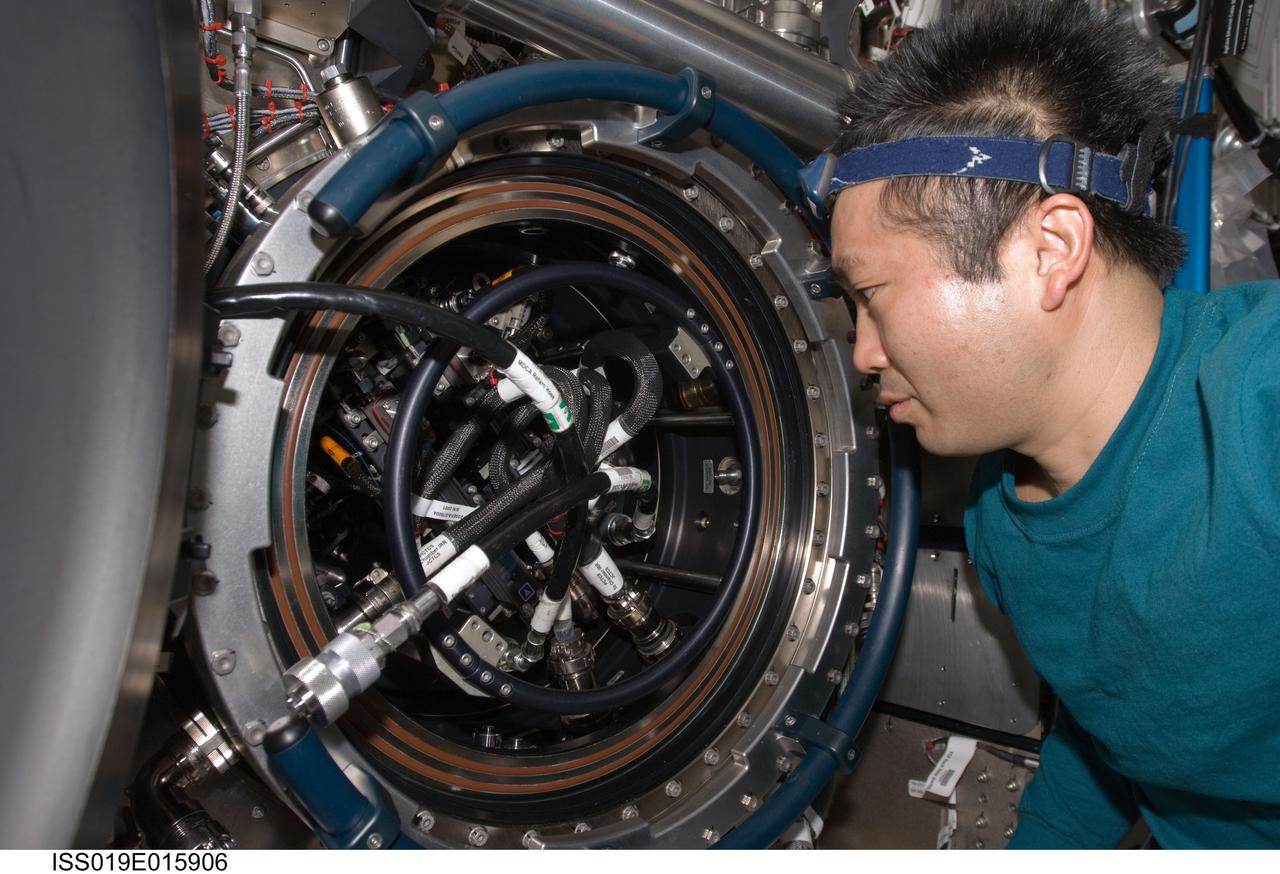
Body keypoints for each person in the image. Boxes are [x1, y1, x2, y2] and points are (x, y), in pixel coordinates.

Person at [825, 0, 1280, 849]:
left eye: (873, 296)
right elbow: (1124, 731)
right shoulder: (1003, 516)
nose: (863, 353)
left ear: (1050, 249)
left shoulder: (1261, 402)